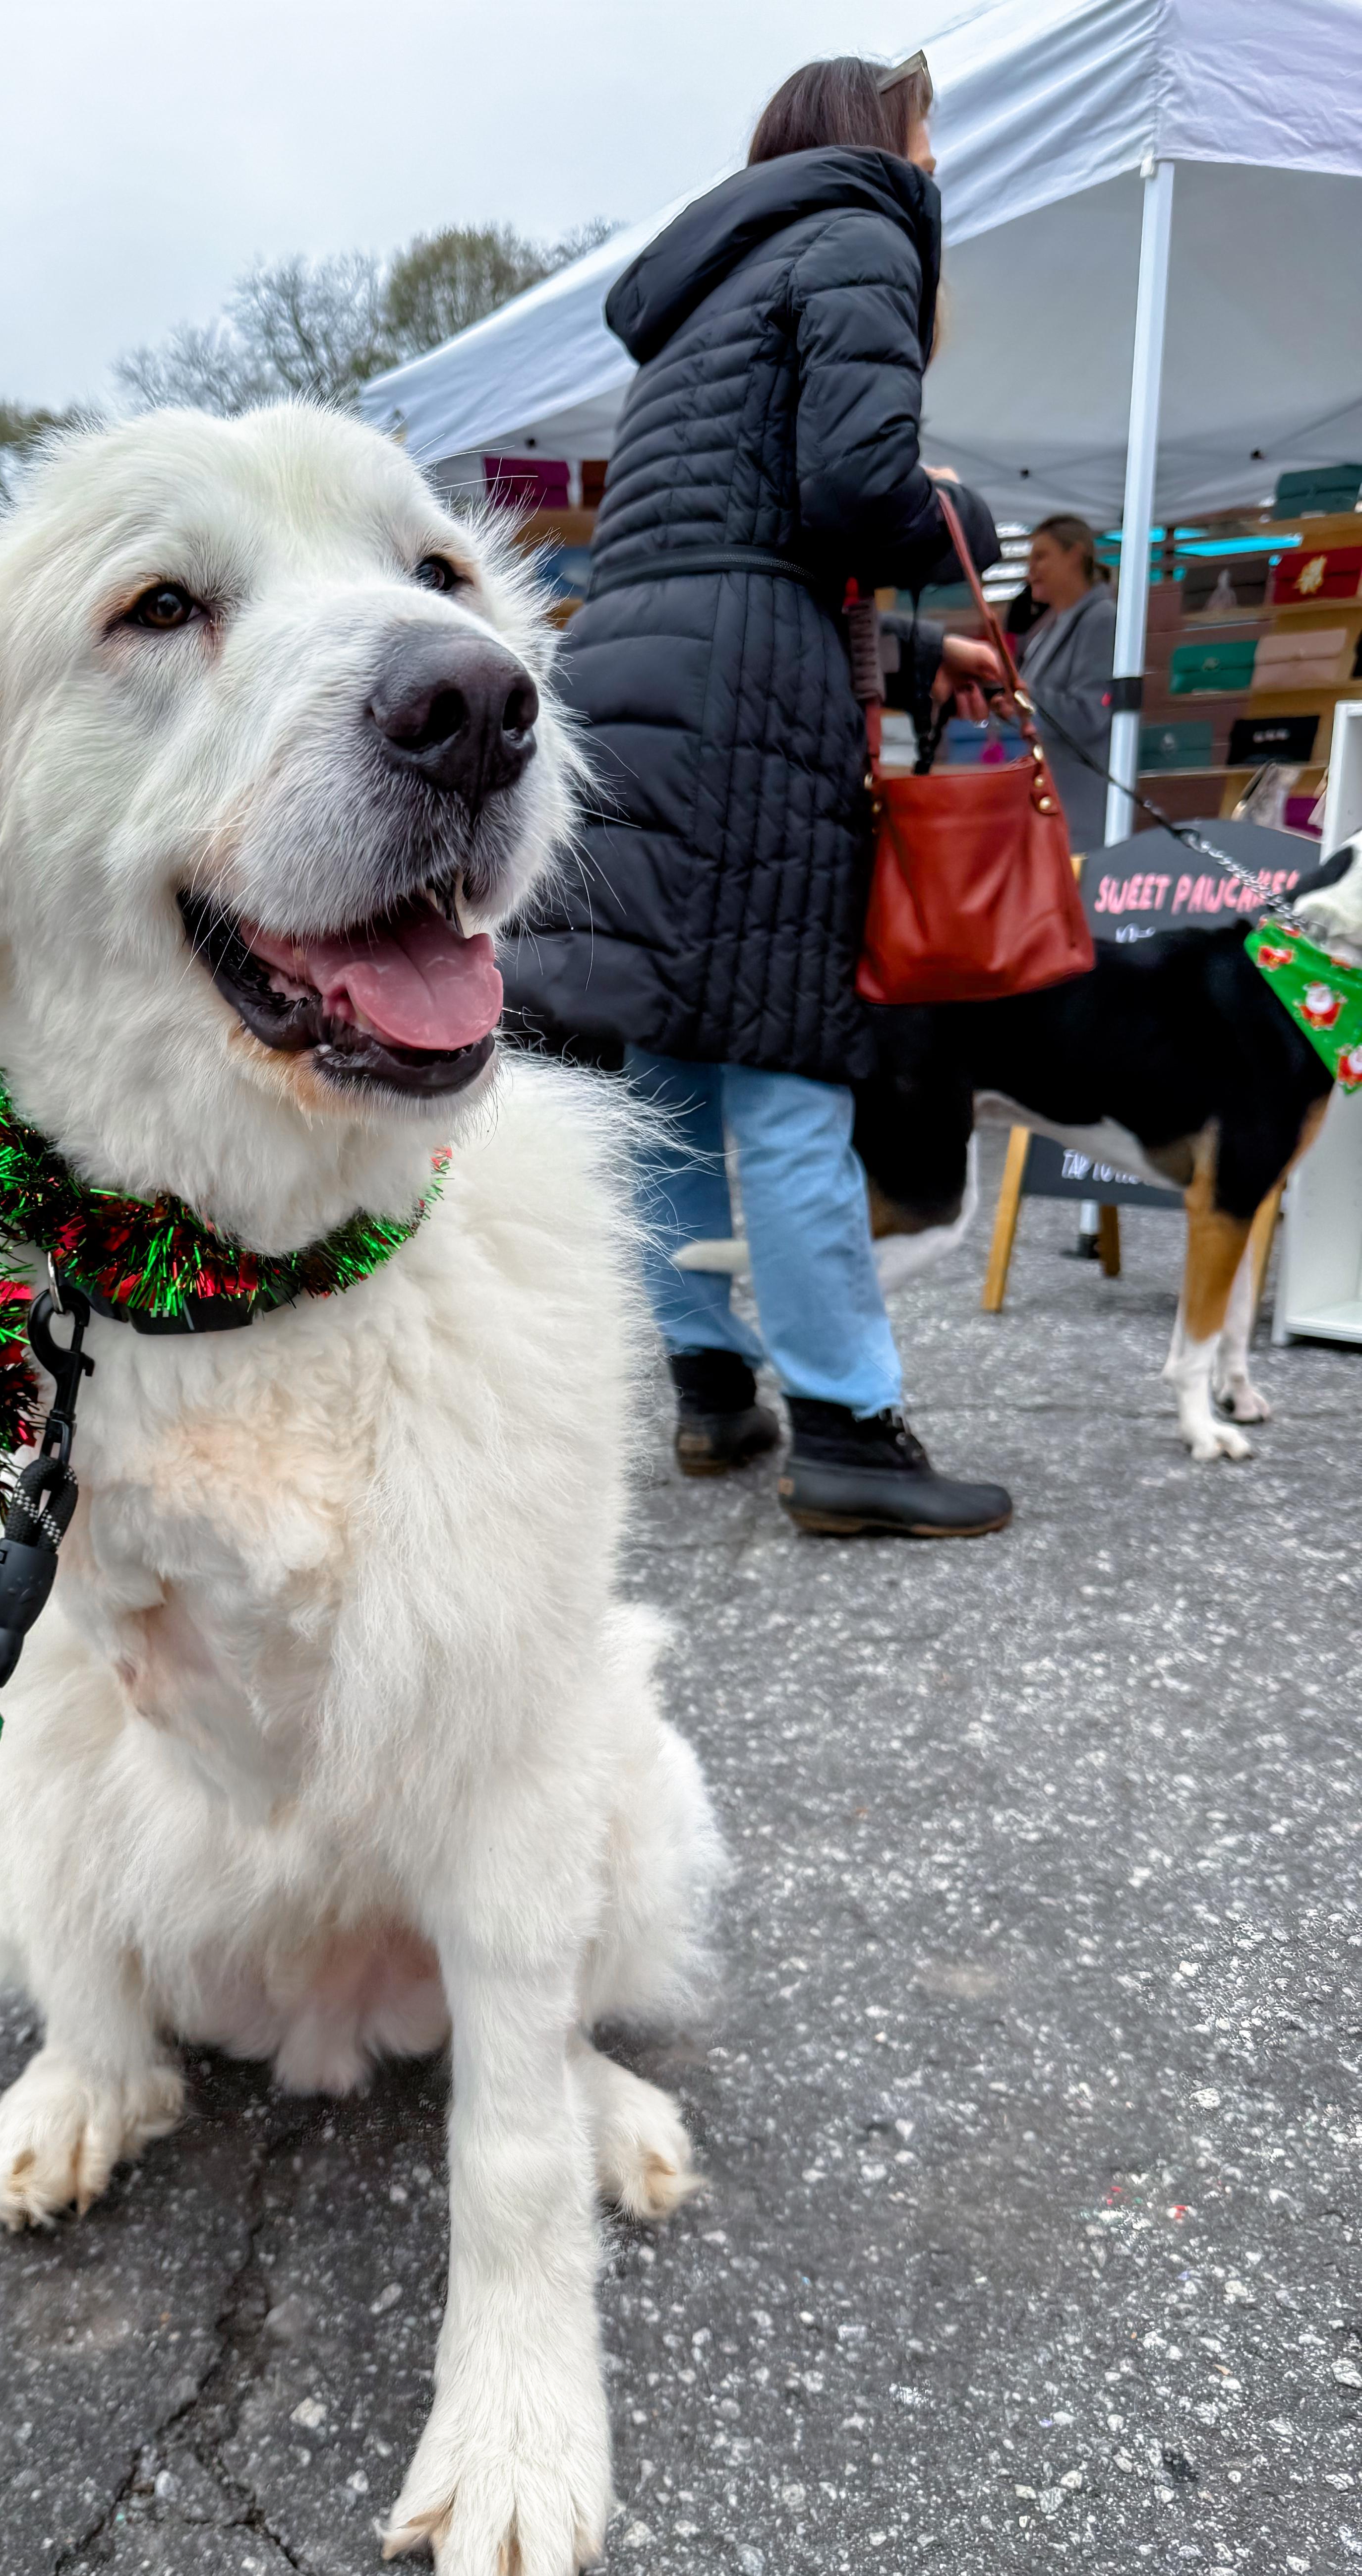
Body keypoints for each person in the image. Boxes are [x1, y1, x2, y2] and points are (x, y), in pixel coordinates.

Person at [507, 51, 1014, 1538]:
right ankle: (851, 1424)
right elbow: (854, 492)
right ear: (884, 139)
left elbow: (739, 530)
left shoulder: (703, 294)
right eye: (931, 135)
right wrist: (970, 525)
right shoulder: (862, 232)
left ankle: (712, 1390)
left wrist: (921, 647)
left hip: (636, 678)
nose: (938, 166)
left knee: (670, 1061)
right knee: (790, 1077)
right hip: (746, 711)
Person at [1017, 514, 1118, 856]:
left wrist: (1022, 697)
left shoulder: (1102, 619)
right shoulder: (1045, 632)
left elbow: (1090, 716)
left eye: (1041, 556)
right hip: (1044, 813)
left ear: (1075, 554)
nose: (1031, 570)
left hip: (1080, 820)